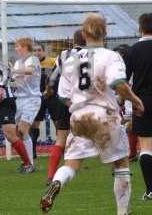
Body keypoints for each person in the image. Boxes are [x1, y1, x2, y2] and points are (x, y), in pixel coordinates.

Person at [40, 13, 144, 215]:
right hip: (105, 115)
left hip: (79, 116)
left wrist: (80, 105)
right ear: (105, 32)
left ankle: (57, 182)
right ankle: (123, 212)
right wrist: (136, 101)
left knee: (72, 163)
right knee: (121, 164)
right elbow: (118, 84)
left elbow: (62, 95)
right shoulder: (110, 56)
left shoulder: (71, 59)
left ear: (84, 33)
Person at [45, 30, 86, 184]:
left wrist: (48, 90)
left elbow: (53, 76)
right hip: (83, 100)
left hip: (64, 99)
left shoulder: (64, 54)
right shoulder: (92, 54)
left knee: (61, 138)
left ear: (73, 41)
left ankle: (51, 175)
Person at [125, 13, 152, 201]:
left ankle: (151, 189)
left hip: (142, 102)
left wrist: (127, 101)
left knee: (146, 146)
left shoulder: (132, 50)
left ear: (140, 28)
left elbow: (123, 81)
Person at [12, 38, 41, 172]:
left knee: (23, 130)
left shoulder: (33, 59)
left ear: (24, 47)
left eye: (17, 46)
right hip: (20, 99)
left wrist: (12, 71)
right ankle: (27, 162)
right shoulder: (18, 62)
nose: (16, 48)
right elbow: (18, 82)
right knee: (17, 132)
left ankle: (30, 164)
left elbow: (29, 71)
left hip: (32, 99)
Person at [32, 43, 57, 159]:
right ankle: (32, 151)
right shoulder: (30, 64)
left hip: (51, 96)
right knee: (34, 124)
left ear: (44, 51)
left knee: (59, 123)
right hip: (37, 98)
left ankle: (63, 149)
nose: (37, 52)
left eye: (39, 50)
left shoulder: (52, 62)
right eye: (35, 50)